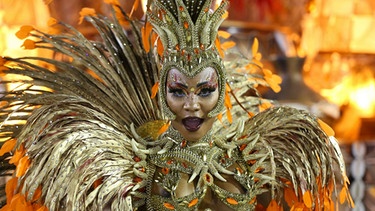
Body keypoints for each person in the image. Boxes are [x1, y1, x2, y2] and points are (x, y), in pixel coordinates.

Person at [0, 0, 353, 210]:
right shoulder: (140, 165)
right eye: (178, 92)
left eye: (204, 91)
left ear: (222, 89)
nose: (192, 106)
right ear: (162, 92)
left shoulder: (251, 156)